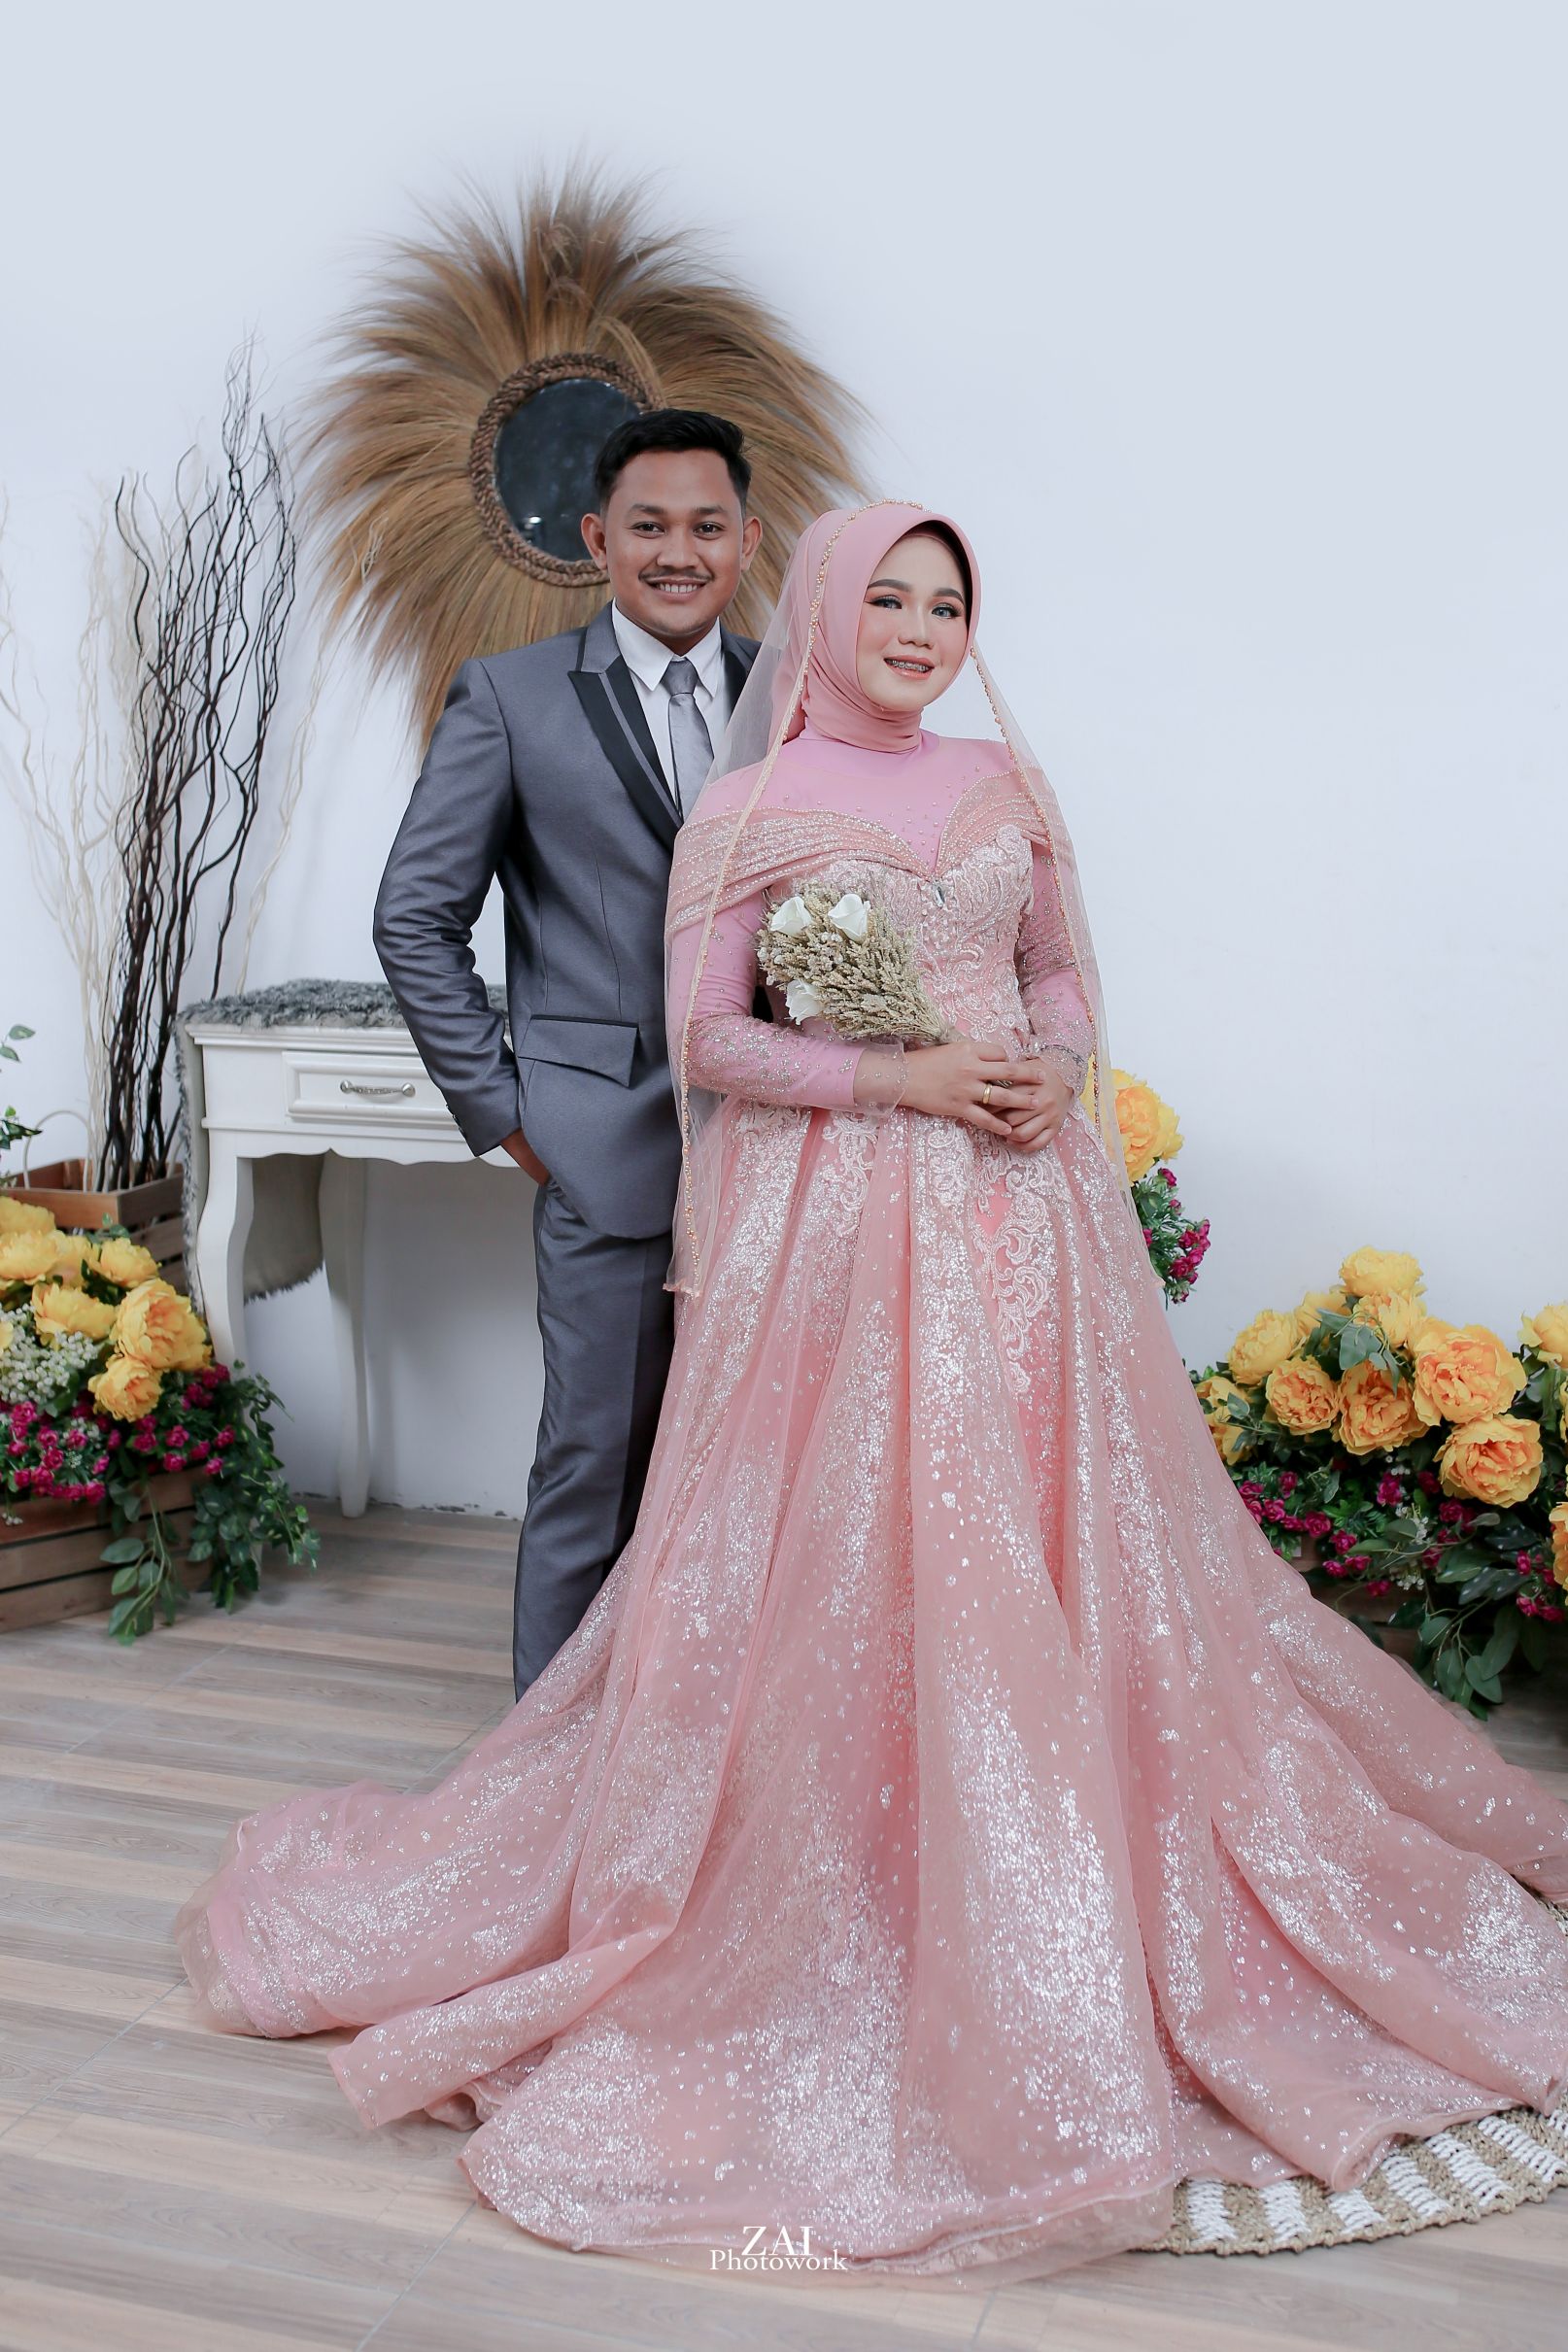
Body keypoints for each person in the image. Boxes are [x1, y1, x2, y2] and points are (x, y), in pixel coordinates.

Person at [176, 501, 1568, 2289]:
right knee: (848, 1536)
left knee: (1046, 1513)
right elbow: (708, 1036)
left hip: (1023, 1213)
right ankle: (851, 1861)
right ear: (827, 611)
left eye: (947, 603)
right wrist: (900, 1077)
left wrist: (1047, 1065)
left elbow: (1055, 968)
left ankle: (1070, 1832)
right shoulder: (749, 806)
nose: (919, 629)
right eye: (889, 598)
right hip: (839, 1223)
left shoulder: (999, 781)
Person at [372, 410, 761, 1697]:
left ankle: (693, 1730)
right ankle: (547, 1755)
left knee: (748, 1467)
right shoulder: (511, 695)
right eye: (648, 525)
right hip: (601, 1140)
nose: (677, 551)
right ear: (598, 537)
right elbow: (415, 914)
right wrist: (503, 1110)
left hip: (783, 1144)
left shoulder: (794, 699)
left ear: (747, 540)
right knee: (594, 1458)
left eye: (706, 525)